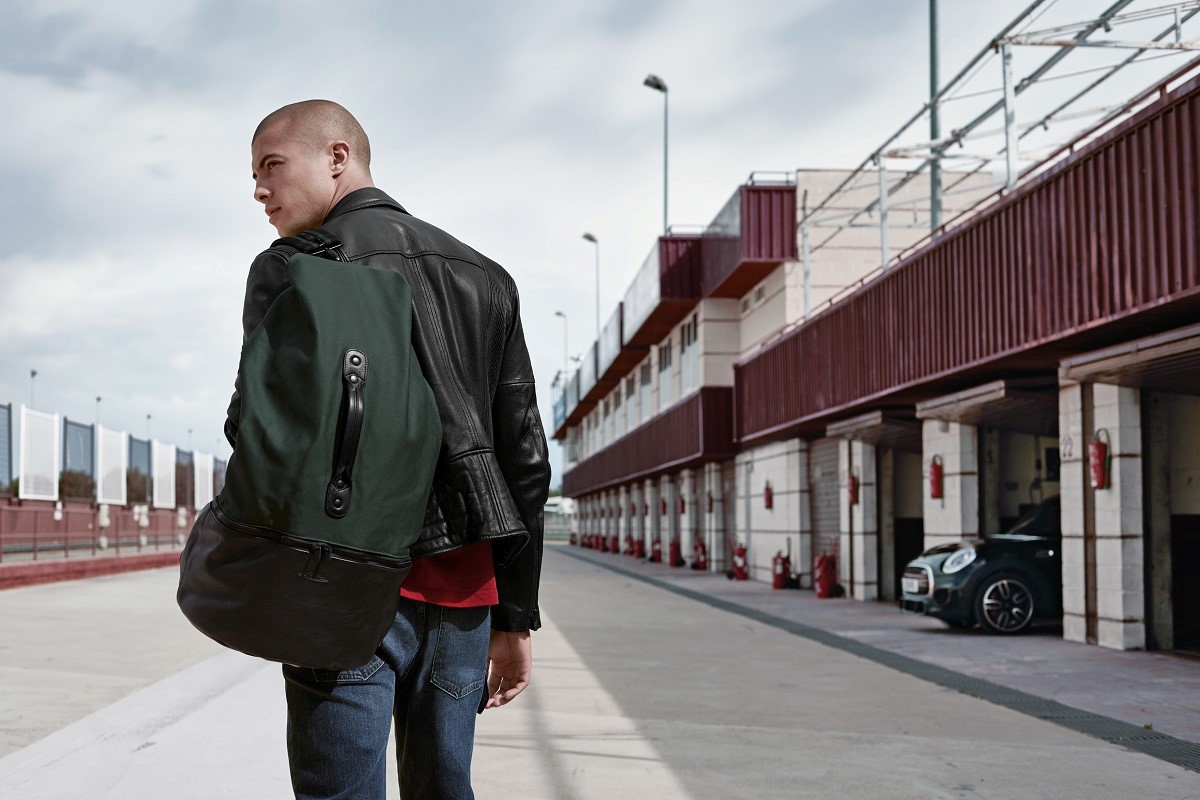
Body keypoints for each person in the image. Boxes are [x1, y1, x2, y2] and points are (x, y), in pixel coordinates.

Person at [224, 99, 551, 800]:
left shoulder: (294, 267)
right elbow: (524, 458)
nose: (259, 190)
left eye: (271, 166)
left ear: (337, 157)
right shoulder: (486, 275)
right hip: (463, 597)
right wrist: (515, 614)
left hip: (339, 590)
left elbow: (258, 434)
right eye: (255, 175)